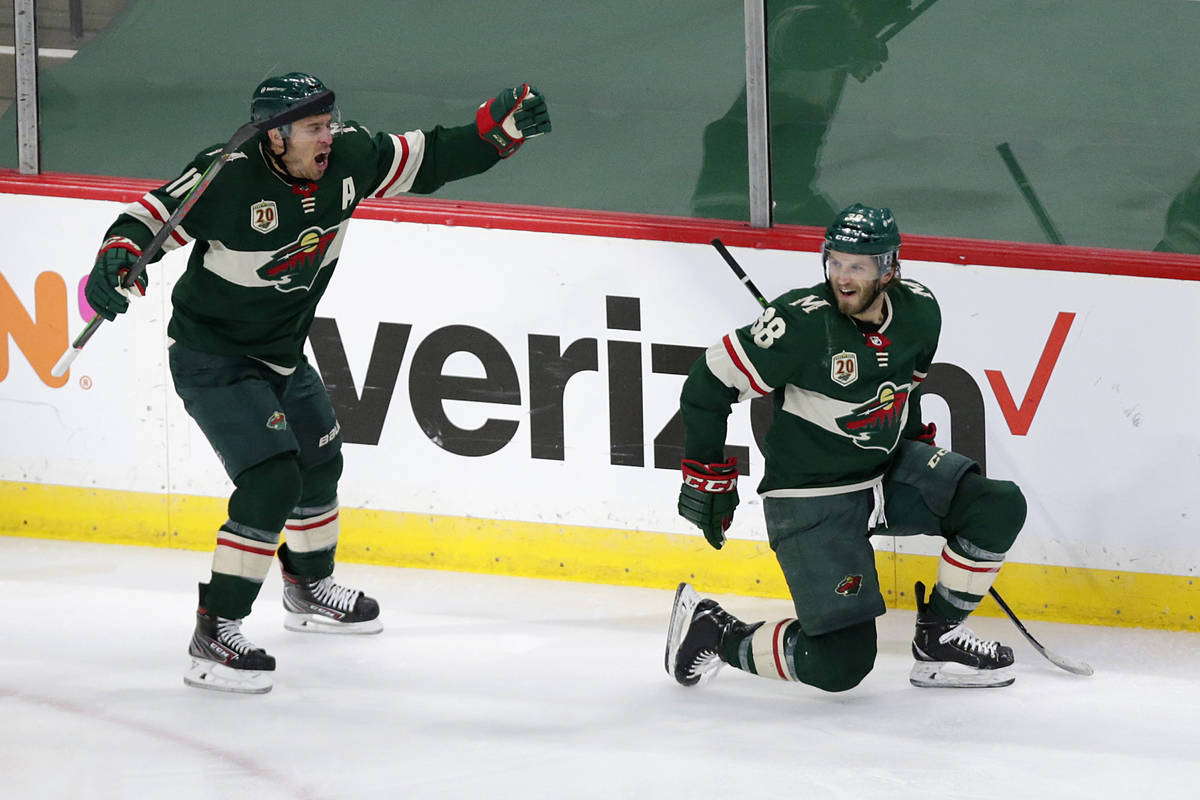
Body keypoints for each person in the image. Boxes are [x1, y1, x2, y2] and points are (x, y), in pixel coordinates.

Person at [85, 72, 551, 694]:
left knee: (320, 459)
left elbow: (432, 156)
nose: (326, 137)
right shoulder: (228, 173)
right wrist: (117, 255)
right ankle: (214, 631)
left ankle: (307, 590)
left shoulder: (350, 158)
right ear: (275, 136)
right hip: (213, 357)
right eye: (312, 128)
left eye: (328, 124)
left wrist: (497, 135)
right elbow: (155, 214)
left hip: (281, 353)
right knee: (273, 477)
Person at [665, 203, 1027, 691]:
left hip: (885, 471)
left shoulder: (920, 311)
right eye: (834, 262)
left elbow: (907, 385)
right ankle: (715, 631)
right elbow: (705, 386)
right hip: (812, 496)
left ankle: (938, 637)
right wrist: (708, 474)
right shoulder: (799, 323)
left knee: (997, 505)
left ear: (889, 268)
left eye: (857, 266)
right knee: (840, 665)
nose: (843, 277)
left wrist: (913, 438)